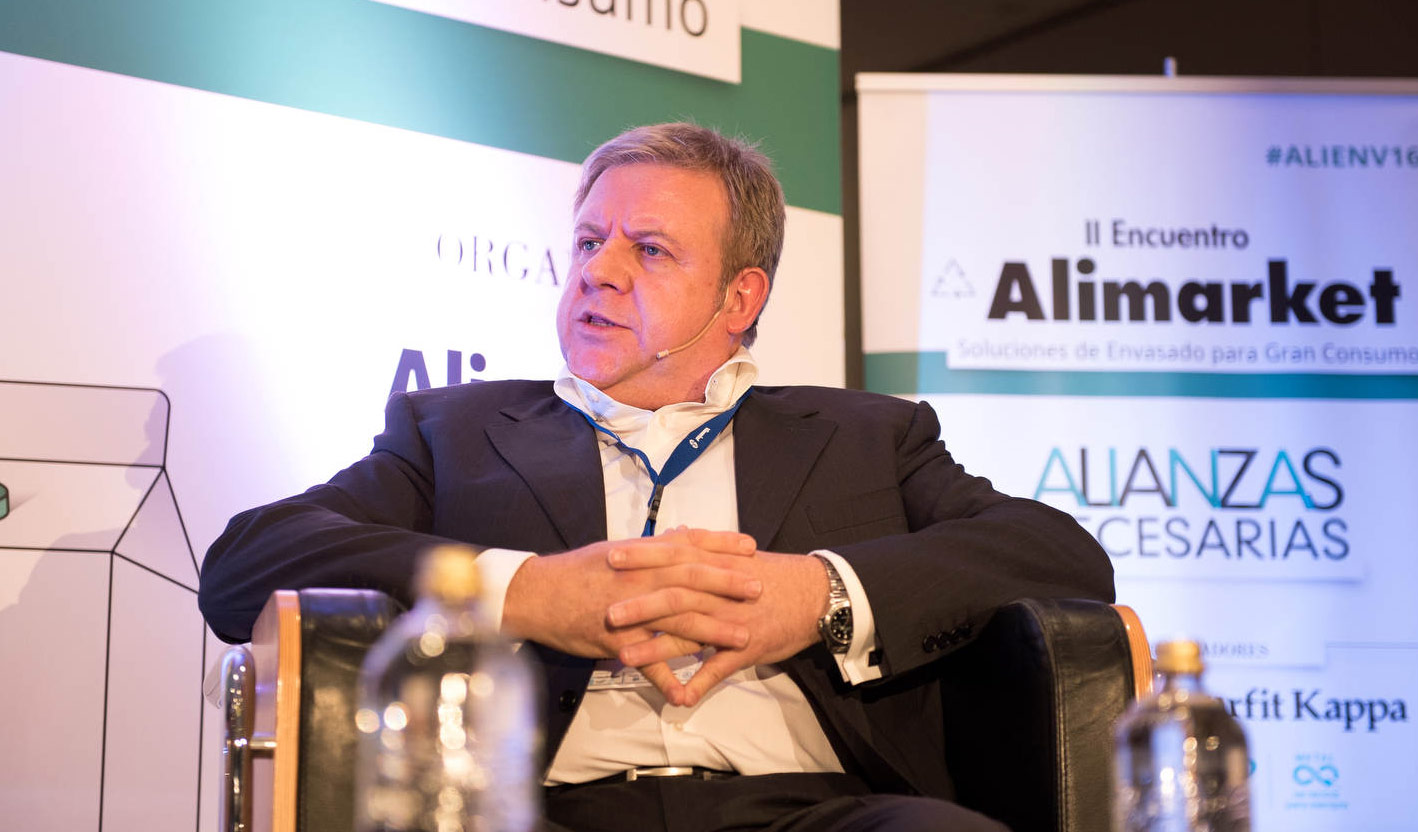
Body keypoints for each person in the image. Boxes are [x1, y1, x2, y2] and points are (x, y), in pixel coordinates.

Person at [199, 122, 1114, 832]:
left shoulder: (865, 436)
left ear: (739, 297)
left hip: (815, 809)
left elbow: (1060, 556)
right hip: (538, 810)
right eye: (588, 242)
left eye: (649, 249)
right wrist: (523, 593)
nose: (598, 272)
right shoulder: (456, 432)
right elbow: (247, 563)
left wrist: (818, 596)